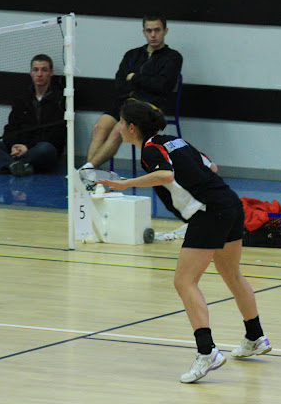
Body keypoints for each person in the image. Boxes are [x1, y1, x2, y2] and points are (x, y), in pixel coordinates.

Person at [98, 100, 271, 383]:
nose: (118, 127)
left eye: (120, 122)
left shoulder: (151, 149)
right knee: (231, 273)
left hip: (209, 213)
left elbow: (165, 174)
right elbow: (212, 167)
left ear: (131, 127)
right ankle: (255, 336)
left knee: (184, 282)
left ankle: (207, 352)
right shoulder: (175, 141)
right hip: (230, 204)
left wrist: (125, 184)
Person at [80, 12, 182, 171]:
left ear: (165, 31)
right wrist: (146, 82)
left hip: (150, 106)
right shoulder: (132, 55)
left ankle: (87, 171)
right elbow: (120, 83)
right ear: (144, 32)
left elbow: (162, 86)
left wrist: (135, 77)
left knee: (118, 130)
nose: (153, 35)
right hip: (124, 102)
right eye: (149, 30)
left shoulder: (173, 57)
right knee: (98, 127)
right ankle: (91, 174)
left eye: (157, 30)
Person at [0, 54, 65, 177]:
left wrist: (27, 147)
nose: (39, 74)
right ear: (31, 73)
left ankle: (1, 163)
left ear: (51, 73)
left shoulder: (60, 100)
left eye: (44, 70)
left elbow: (56, 135)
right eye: (36, 70)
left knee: (46, 149)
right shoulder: (22, 98)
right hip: (18, 148)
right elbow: (11, 127)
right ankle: (17, 165)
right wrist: (14, 146)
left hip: (38, 150)